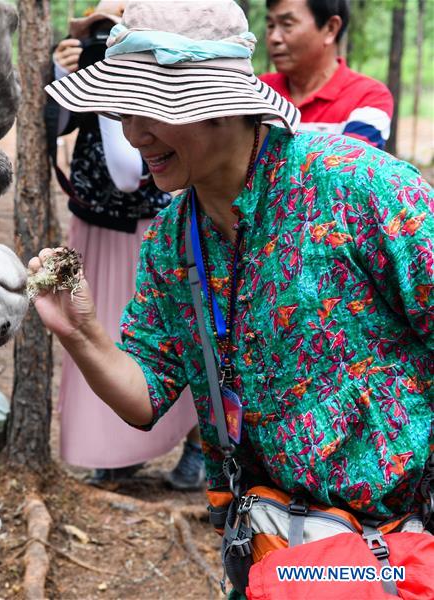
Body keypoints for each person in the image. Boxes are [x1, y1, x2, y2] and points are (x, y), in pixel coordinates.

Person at [35, 0, 432, 584]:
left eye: (152, 109)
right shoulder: (172, 237)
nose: (134, 132)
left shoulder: (360, 188)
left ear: (222, 105)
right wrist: (81, 333)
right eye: (125, 109)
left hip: (397, 552)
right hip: (271, 551)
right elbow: (146, 397)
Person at [47, 0, 202, 490]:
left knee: (170, 333)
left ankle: (198, 446)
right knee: (96, 336)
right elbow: (53, 127)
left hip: (157, 224)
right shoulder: (83, 69)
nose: (103, 37)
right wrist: (62, 68)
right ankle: (115, 452)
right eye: (97, 27)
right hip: (92, 221)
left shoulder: (162, 67)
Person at [261, 0, 393, 149]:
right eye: (271, 25)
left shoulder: (368, 97)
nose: (273, 38)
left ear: (330, 28)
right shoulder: (256, 91)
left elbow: (347, 168)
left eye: (287, 24)